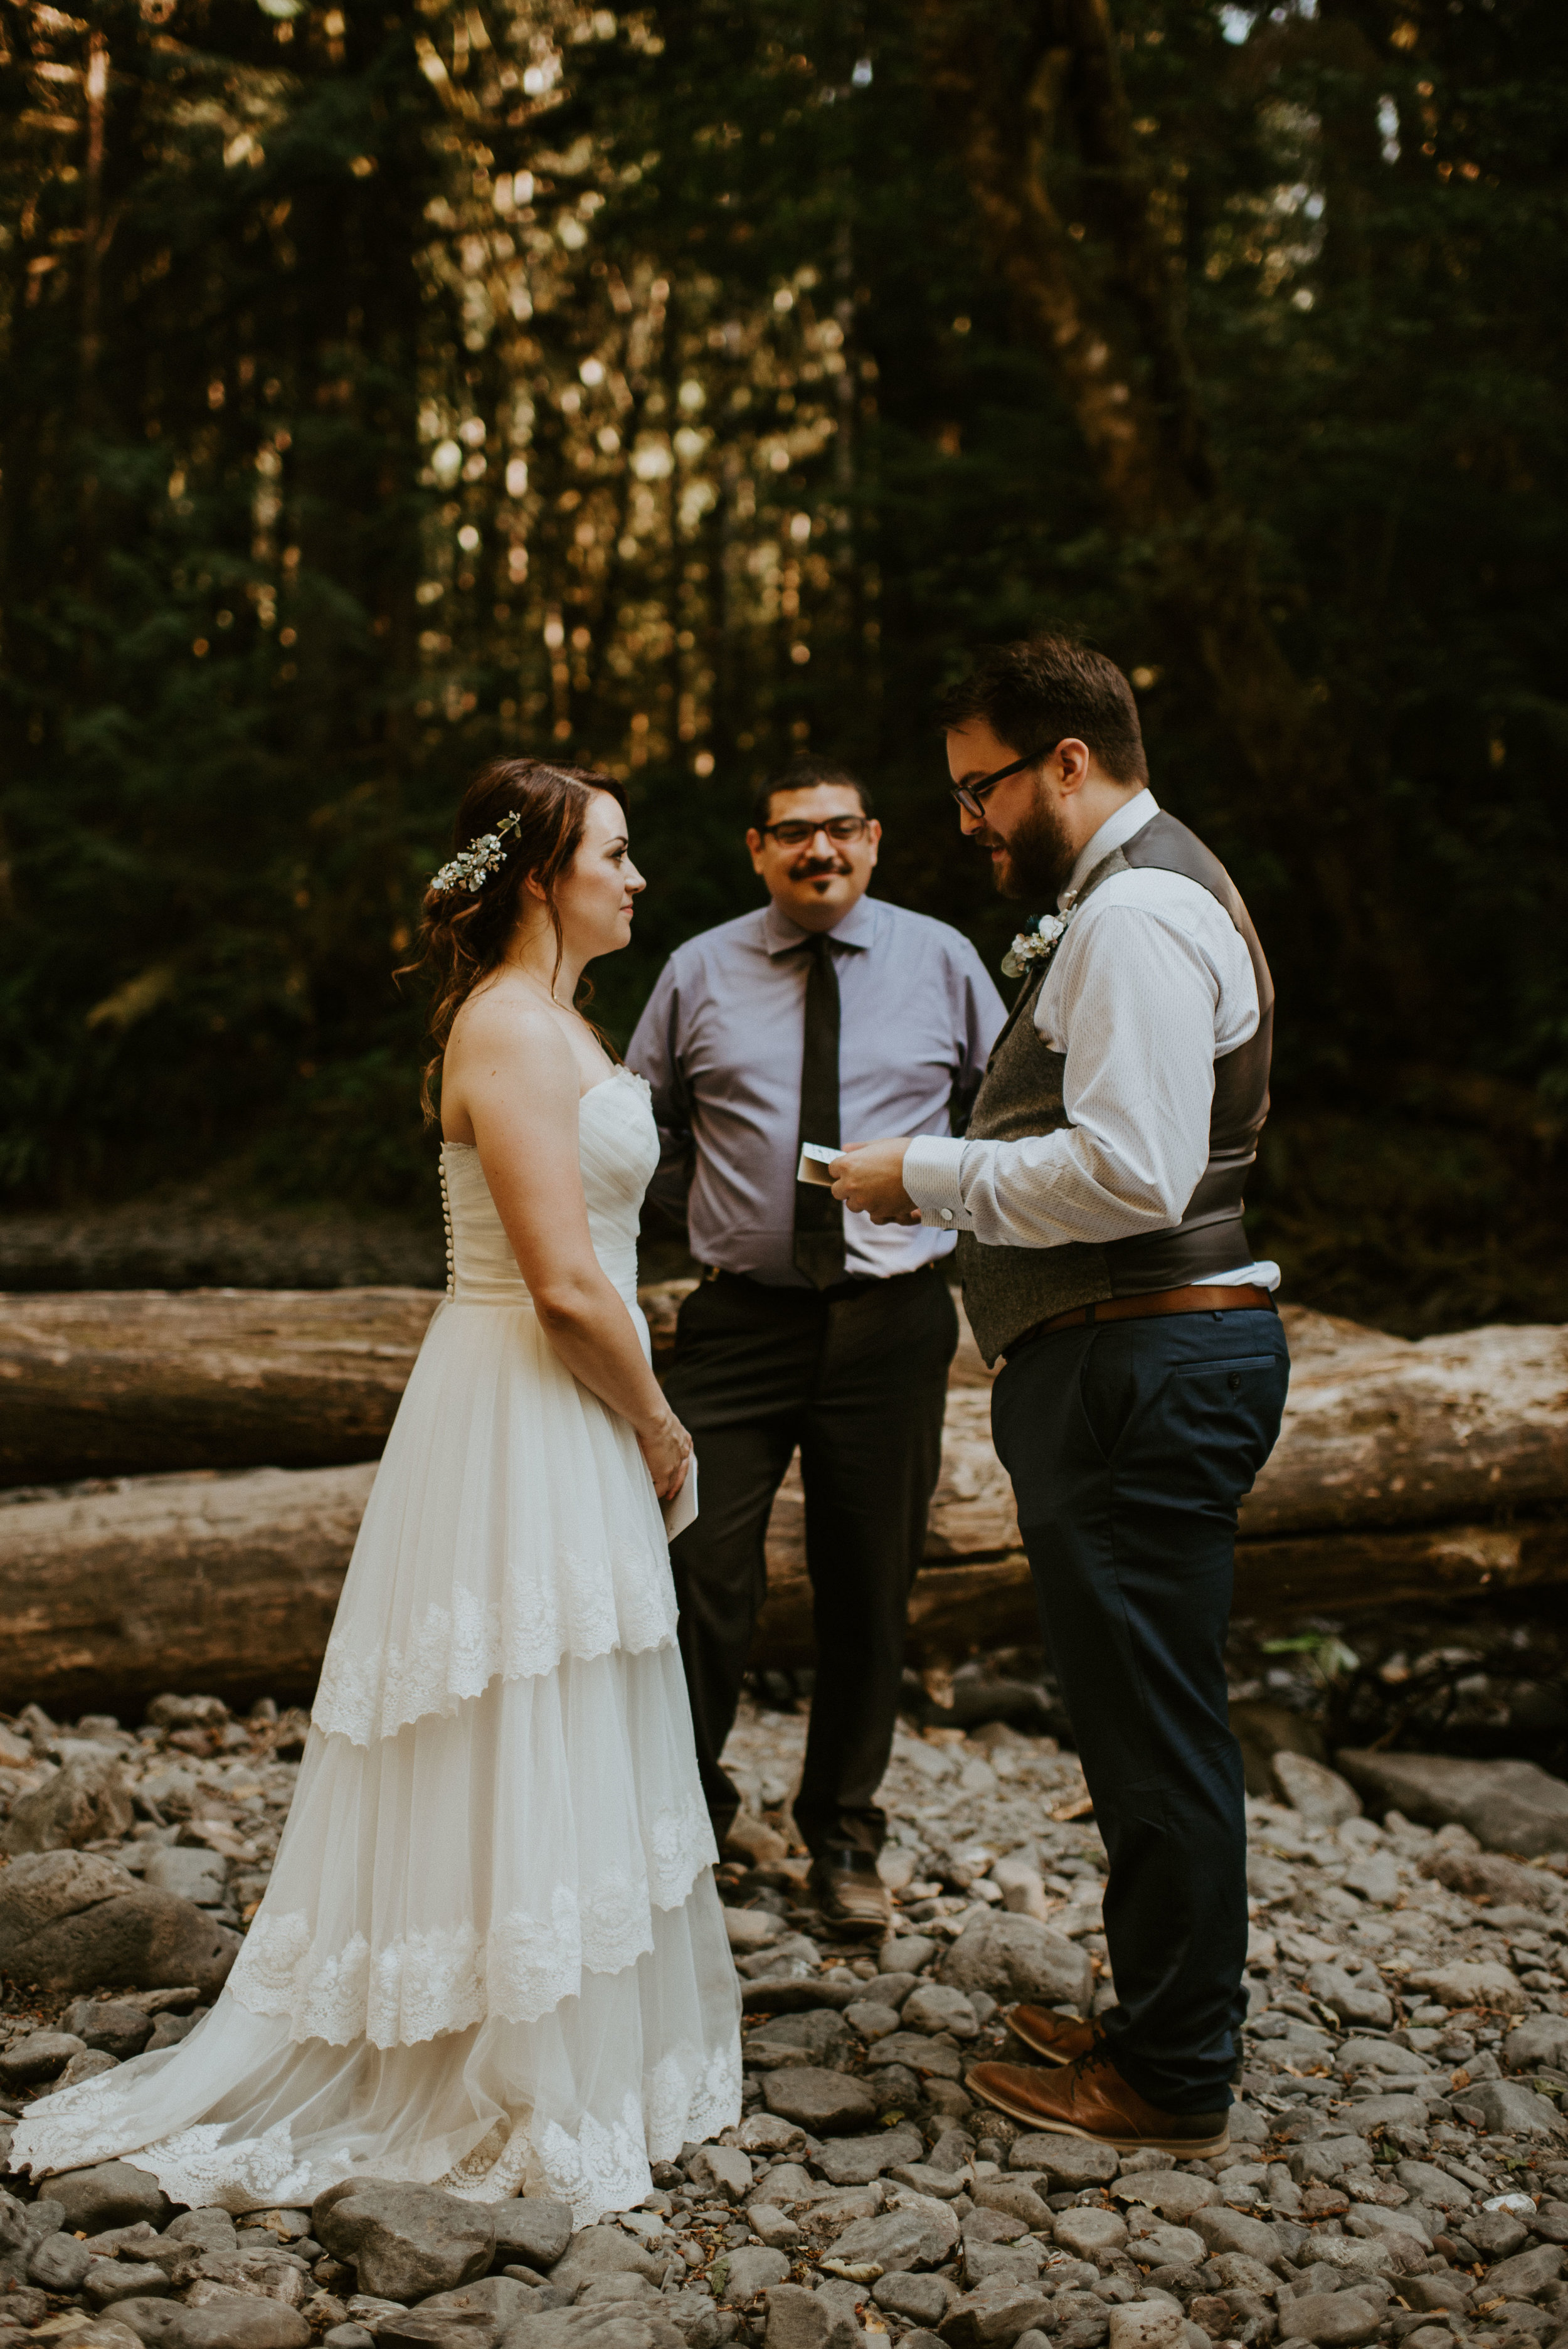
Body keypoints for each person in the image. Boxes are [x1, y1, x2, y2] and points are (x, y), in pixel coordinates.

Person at [14, 760, 741, 2218]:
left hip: (558, 1404)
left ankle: (537, 2026)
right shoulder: (512, 1033)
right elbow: (560, 1287)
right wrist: (661, 1422)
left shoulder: (555, 1021)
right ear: (541, 874)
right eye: (614, 850)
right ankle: (478, 2059)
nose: (637, 875)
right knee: (503, 1700)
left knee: (562, 1696)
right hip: (527, 1399)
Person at [832, 637, 1290, 2154]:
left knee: (1151, 1724)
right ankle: (1160, 2015)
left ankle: (1170, 2077)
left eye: (979, 787)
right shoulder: (1128, 898)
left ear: (1067, 764)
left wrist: (927, 1173)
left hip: (1138, 1360)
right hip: (1126, 1358)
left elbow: (1133, 1169)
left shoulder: (1139, 912)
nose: (967, 818)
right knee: (1132, 1711)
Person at [627, 758, 1005, 1936]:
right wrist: (709, 1211)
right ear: (758, 848)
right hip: (739, 1320)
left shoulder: (944, 960)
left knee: (869, 1589)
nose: (819, 852)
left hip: (894, 1323)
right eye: (794, 834)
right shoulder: (696, 970)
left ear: (877, 839)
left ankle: (844, 1837)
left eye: (841, 830)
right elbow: (637, 1129)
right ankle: (685, 1823)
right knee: (692, 1570)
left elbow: (1006, 1124)